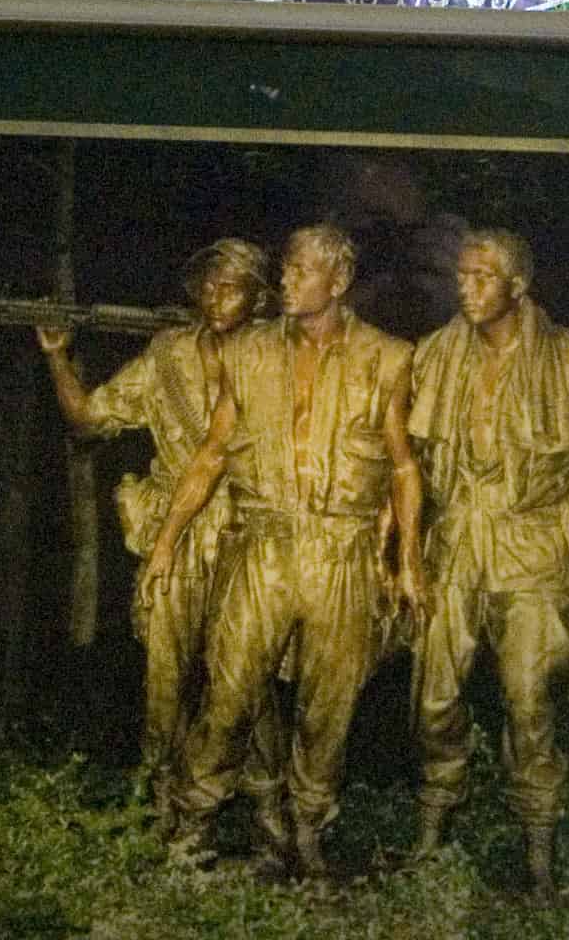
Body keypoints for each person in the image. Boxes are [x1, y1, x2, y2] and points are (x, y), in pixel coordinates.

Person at [143, 223, 424, 880]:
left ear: (339, 282)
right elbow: (211, 455)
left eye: (301, 270)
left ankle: (307, 834)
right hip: (265, 545)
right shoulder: (249, 354)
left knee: (330, 703)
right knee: (230, 690)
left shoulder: (387, 357)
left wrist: (406, 558)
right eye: (287, 269)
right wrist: (165, 542)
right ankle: (193, 825)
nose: (287, 281)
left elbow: (405, 466)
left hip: (343, 548)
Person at [402, 228, 569, 897]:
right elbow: (405, 471)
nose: (466, 287)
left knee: (530, 702)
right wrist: (397, 554)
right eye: (461, 274)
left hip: (531, 540)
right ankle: (435, 822)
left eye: (482, 276)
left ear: (517, 285)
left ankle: (539, 862)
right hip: (455, 537)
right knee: (432, 697)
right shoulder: (433, 355)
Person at [34, 237, 277, 816]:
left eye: (233, 287)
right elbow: (90, 419)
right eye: (209, 286)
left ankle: (271, 809)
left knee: (249, 673)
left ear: (258, 297)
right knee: (165, 674)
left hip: (253, 531)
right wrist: (57, 357)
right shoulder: (167, 354)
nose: (217, 299)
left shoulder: (277, 355)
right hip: (177, 530)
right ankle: (161, 801)